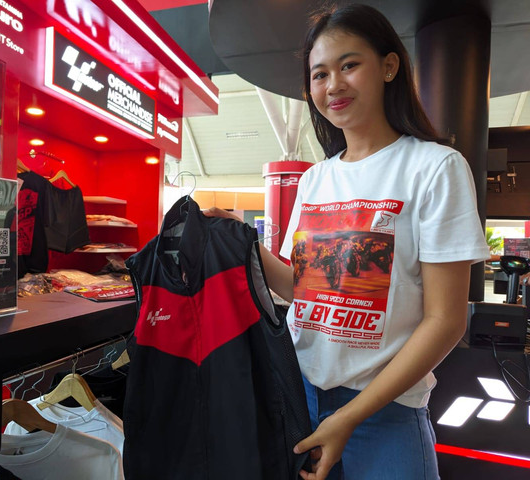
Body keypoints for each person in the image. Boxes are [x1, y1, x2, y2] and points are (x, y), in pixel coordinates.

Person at [205, 3, 490, 479]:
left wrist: (350, 417)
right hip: (302, 396)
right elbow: (303, 291)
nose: (332, 85)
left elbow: (445, 320)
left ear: (389, 66)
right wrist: (241, 242)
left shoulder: (435, 168)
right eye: (319, 74)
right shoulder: (316, 179)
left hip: (386, 413)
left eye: (349, 65)